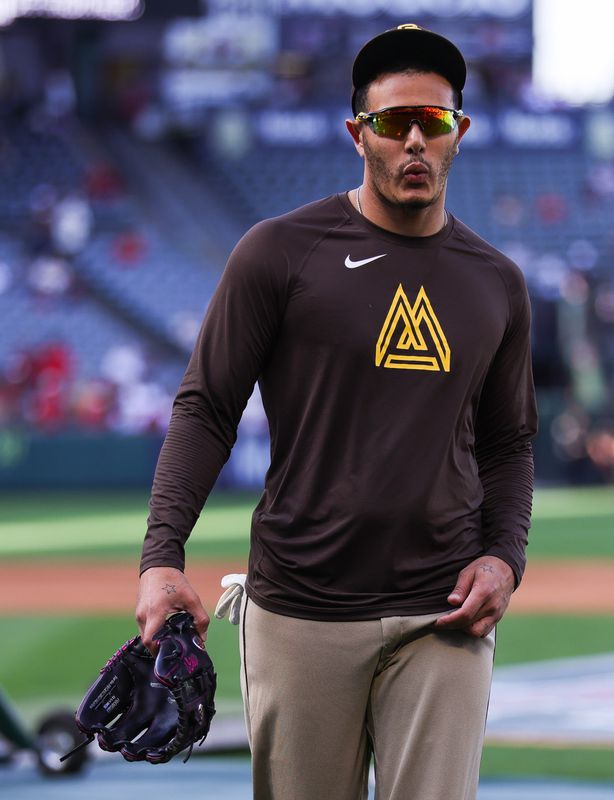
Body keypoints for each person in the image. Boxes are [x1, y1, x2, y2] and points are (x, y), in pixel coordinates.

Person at [135, 24, 537, 800]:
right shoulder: (278, 253)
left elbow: (509, 442)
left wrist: (504, 558)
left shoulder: (497, 282)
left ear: (459, 132)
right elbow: (206, 408)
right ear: (359, 134)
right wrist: (161, 558)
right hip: (302, 608)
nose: (415, 140)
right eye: (394, 122)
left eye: (434, 121)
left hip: (444, 612)